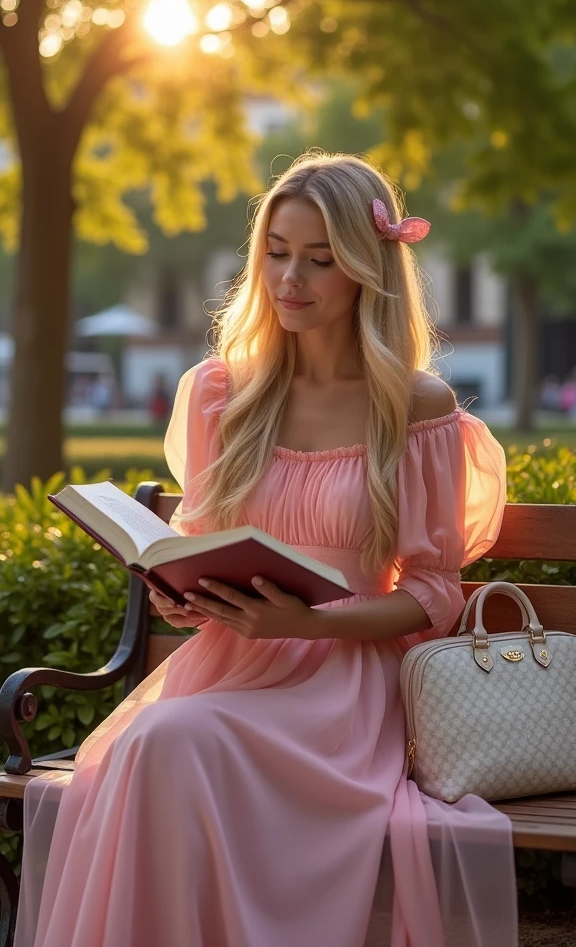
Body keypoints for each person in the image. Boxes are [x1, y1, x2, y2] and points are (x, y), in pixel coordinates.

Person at [14, 153, 517, 947]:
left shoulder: (416, 406)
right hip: (229, 668)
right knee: (156, 747)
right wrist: (179, 591)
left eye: (320, 260)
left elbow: (434, 593)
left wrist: (309, 625)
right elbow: (199, 542)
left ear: (367, 270)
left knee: (165, 746)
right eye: (277, 252)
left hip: (343, 695)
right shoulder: (225, 393)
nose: (292, 277)